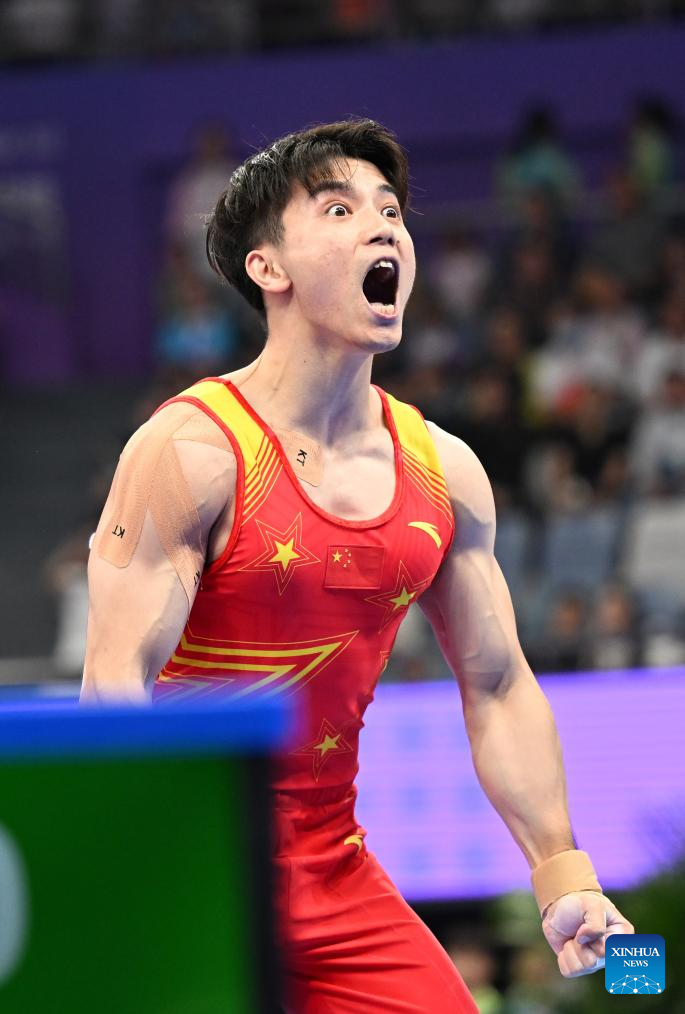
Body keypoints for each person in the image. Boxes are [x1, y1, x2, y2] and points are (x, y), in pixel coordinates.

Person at [81, 119, 634, 1012]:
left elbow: (498, 686)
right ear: (268, 267)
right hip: (193, 864)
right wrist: (148, 882)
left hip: (333, 876)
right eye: (339, 209)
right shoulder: (190, 451)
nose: (382, 227)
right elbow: (114, 685)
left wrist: (562, 874)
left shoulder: (445, 472)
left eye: (390, 211)